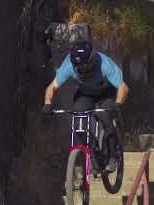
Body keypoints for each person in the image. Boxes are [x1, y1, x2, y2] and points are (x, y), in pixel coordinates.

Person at [42, 40, 129, 172]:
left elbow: (123, 88)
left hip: (106, 94)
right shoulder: (69, 65)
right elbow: (51, 87)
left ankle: (113, 156)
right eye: (78, 67)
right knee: (77, 117)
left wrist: (117, 104)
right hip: (85, 94)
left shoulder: (104, 64)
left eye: (84, 67)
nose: (81, 70)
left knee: (105, 115)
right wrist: (47, 104)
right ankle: (93, 152)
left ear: (92, 60)